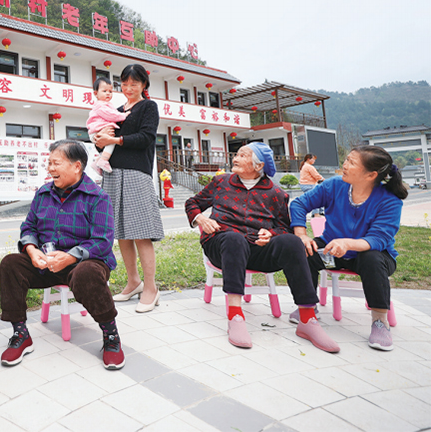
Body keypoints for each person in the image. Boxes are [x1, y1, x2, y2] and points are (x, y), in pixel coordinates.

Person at [185, 142, 339, 353]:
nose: (235, 158)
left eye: (243, 155)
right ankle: (235, 316)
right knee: (234, 239)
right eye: (236, 154)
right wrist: (201, 219)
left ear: (259, 166)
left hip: (258, 250)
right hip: (223, 246)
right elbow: (192, 203)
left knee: (292, 241)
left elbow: (283, 227)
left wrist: (271, 234)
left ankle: (307, 319)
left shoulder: (276, 193)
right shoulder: (221, 182)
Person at [0, 140, 124, 369]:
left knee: (86, 273)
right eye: (49, 163)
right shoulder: (43, 193)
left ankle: (111, 335)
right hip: (46, 263)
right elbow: (29, 227)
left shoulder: (98, 197)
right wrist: (32, 250)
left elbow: (102, 241)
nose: (50, 169)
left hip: (84, 263)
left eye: (56, 163)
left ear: (76, 166)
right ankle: (20, 334)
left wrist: (71, 257)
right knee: (10, 264)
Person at [290, 146, 406, 351]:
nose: (344, 165)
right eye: (346, 160)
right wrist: (301, 235)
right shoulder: (334, 186)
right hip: (332, 250)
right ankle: (307, 307)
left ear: (371, 175)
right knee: (304, 251)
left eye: (351, 162)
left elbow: (378, 238)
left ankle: (380, 321)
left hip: (372, 255)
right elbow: (299, 204)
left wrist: (347, 243)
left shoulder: (390, 201)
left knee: (372, 259)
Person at [93, 63, 164, 313]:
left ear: (144, 84)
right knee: (121, 232)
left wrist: (115, 139)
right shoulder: (116, 110)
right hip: (113, 174)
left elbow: (146, 138)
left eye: (134, 83)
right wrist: (100, 139)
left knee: (141, 232)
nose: (128, 88)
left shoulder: (148, 107)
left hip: (136, 174)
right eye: (124, 83)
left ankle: (151, 288)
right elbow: (104, 144)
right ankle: (133, 282)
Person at [86, 76, 128, 174]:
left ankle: (97, 161)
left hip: (98, 130)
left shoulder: (106, 104)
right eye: (104, 91)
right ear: (95, 93)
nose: (108, 93)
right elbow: (111, 115)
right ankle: (103, 160)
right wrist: (124, 115)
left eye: (110, 91)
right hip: (98, 131)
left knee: (109, 142)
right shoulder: (100, 105)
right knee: (111, 141)